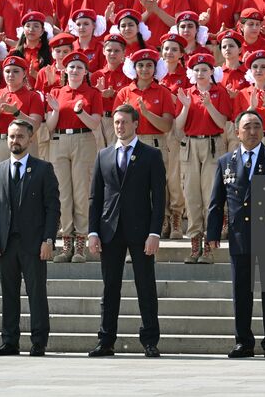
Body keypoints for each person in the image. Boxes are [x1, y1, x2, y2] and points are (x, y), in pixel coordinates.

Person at [205, 111, 265, 359]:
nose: (252, 131)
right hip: (240, 233)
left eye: (256, 126)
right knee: (241, 290)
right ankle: (243, 342)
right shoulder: (226, 162)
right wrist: (213, 232)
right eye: (247, 127)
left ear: (263, 130)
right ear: (237, 132)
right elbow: (216, 201)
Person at [86, 103, 166, 357]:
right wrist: (93, 231)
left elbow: (159, 197)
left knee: (145, 286)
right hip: (110, 229)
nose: (119, 126)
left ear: (135, 124)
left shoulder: (151, 155)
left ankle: (150, 340)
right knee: (110, 287)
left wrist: (155, 233)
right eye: (116, 122)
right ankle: (106, 340)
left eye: (124, 122)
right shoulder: (104, 155)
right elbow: (95, 198)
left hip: (141, 231)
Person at [0, 119, 59, 356]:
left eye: (20, 136)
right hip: (5, 245)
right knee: (8, 293)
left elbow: (53, 209)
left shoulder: (43, 169)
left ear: (30, 139)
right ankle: (9, 341)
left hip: (34, 244)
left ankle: (39, 342)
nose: (15, 141)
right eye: (11, 136)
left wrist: (48, 240)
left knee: (37, 293)